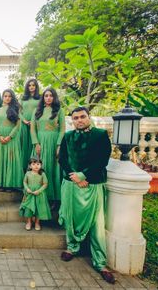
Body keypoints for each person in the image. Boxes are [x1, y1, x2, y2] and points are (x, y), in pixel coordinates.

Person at [58, 106, 115, 284]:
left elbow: (102, 160)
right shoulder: (68, 136)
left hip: (93, 183)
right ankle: (72, 247)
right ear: (72, 121)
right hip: (71, 184)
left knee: (97, 224)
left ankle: (100, 263)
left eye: (82, 117)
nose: (79, 120)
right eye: (75, 118)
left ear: (88, 117)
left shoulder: (100, 135)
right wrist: (74, 177)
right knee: (71, 217)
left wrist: (84, 176)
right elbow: (63, 160)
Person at [31, 88, 65, 205]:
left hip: (53, 143)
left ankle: (53, 198)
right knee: (39, 168)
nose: (48, 98)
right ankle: (39, 196)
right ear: (43, 97)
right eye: (46, 96)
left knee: (52, 169)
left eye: (51, 95)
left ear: (54, 97)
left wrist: (59, 145)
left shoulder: (59, 111)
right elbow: (33, 129)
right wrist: (36, 143)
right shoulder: (37, 110)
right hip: (40, 142)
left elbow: (62, 130)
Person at [0, 89, 24, 191]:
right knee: (0, 159)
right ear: (3, 97)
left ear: (12, 98)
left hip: (11, 139)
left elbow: (18, 125)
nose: (7, 98)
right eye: (5, 96)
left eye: (9, 96)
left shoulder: (16, 109)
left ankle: (9, 184)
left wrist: (10, 136)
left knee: (10, 159)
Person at [19, 157, 51, 231]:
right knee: (28, 209)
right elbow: (25, 182)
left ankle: (37, 223)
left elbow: (45, 184)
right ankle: (29, 222)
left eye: (38, 164)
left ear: (41, 165)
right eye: (33, 164)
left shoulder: (42, 174)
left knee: (38, 208)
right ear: (30, 166)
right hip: (29, 194)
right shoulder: (28, 173)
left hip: (39, 194)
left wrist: (39, 191)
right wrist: (27, 189)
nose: (36, 166)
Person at [20, 79, 41, 169]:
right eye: (29, 85)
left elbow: (41, 110)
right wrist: (24, 120)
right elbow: (18, 112)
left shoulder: (40, 98)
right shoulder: (23, 98)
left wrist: (34, 121)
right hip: (24, 125)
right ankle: (24, 168)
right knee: (24, 146)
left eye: (33, 85)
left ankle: (34, 168)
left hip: (36, 124)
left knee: (34, 145)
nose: (31, 87)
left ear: (36, 87)